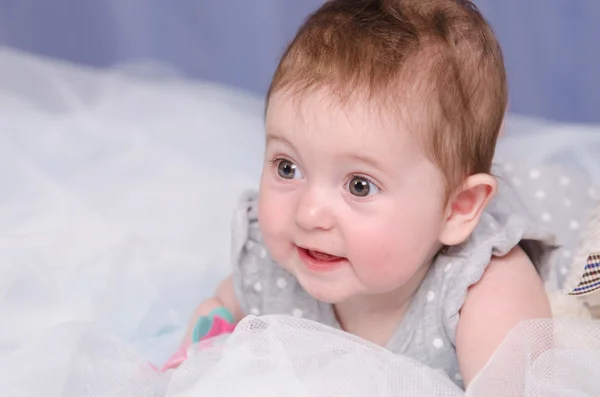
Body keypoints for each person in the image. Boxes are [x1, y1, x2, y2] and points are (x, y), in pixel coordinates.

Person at [174, 0, 554, 388]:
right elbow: (220, 310)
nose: (308, 214)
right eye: (288, 167)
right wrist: (200, 350)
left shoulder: (484, 294)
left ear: (457, 209)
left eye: (359, 185)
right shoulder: (272, 265)